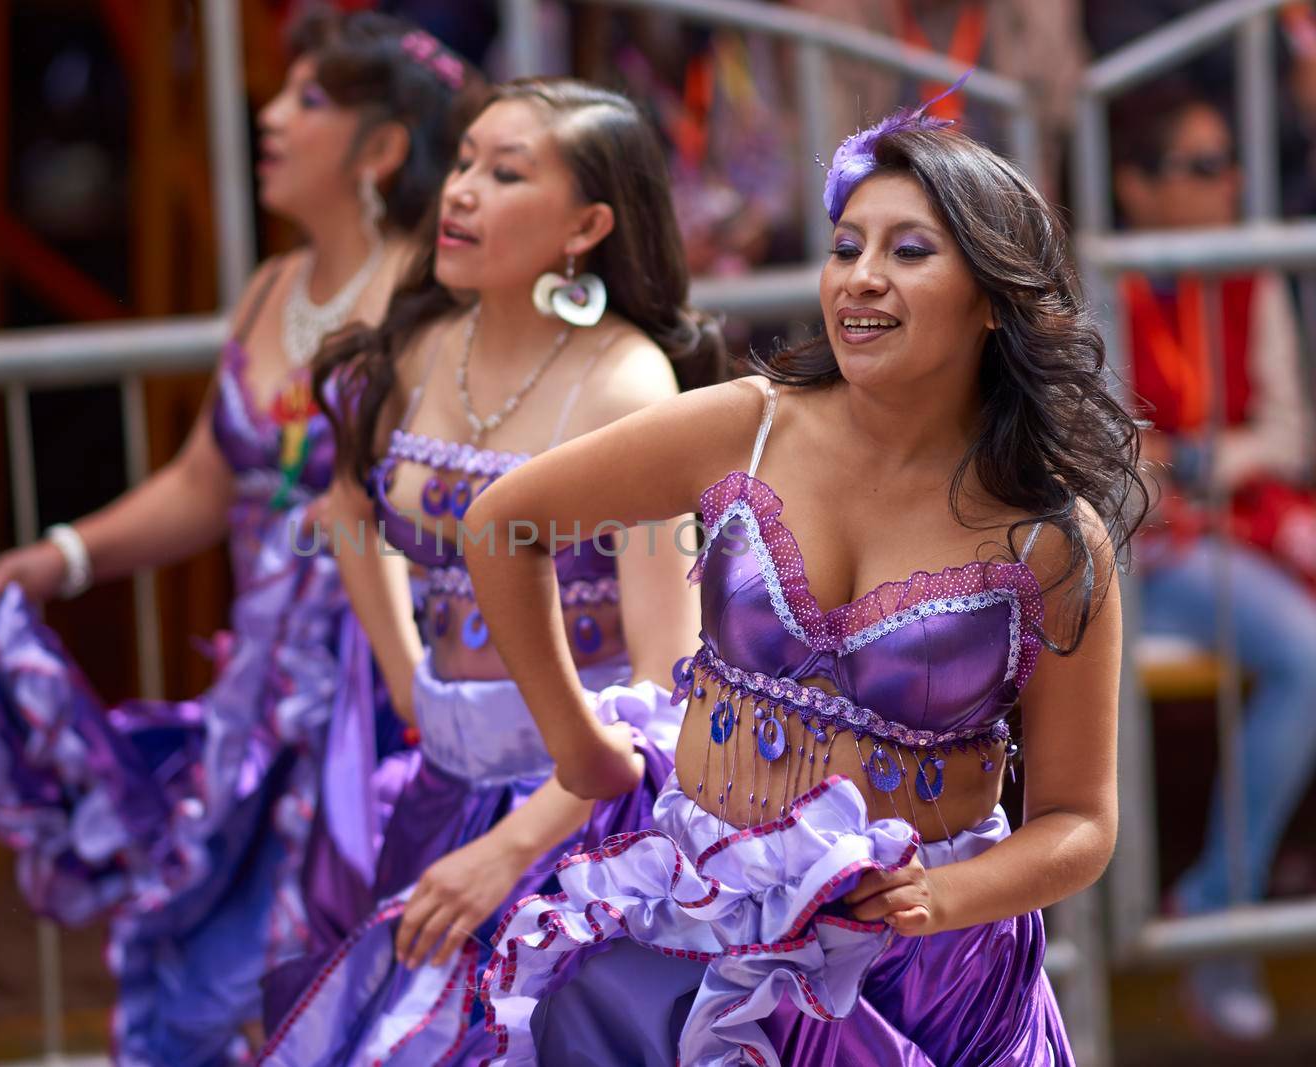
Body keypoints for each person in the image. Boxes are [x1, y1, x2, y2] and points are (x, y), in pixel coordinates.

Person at [464, 93, 1144, 1066]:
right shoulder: (745, 424)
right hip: (695, 924)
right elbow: (501, 523)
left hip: (920, 986)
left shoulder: (1049, 540)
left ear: (992, 297)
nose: (860, 279)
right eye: (843, 246)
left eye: (908, 250)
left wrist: (943, 896)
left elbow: (1080, 820)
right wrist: (578, 746)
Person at [0, 12, 475, 1063]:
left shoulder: (437, 296)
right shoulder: (272, 287)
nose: (269, 118)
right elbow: (204, 477)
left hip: (375, 719)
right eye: (281, 94)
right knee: (197, 980)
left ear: (380, 148)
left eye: (307, 100)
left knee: (324, 981)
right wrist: (65, 555)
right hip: (257, 712)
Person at [256, 78, 721, 1065]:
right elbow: (348, 508)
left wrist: (517, 844)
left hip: (585, 816)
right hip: (440, 786)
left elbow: (664, 680)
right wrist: (406, 677)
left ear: (587, 225)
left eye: (506, 173)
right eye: (463, 161)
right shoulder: (420, 348)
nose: (460, 191)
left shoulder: (626, 381)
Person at [1113, 81, 1316, 1042]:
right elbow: (1097, 462)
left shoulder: (1250, 269)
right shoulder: (1093, 284)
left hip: (1233, 524)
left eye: (1227, 163)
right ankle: (1220, 924)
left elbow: (1285, 433)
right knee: (1311, 659)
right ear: (1135, 189)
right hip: (1140, 551)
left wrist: (1201, 459)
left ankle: (1214, 906)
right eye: (1197, 167)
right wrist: (1176, 474)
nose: (1226, 184)